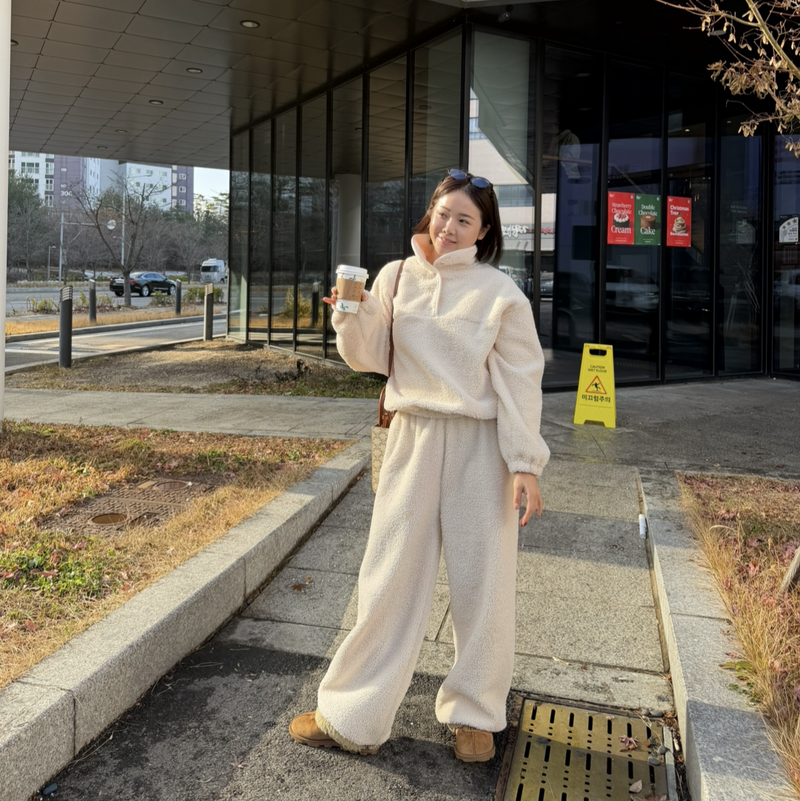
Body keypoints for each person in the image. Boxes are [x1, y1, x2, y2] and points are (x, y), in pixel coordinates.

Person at [289, 168, 549, 762]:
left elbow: (519, 382)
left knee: (484, 581)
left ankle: (475, 715)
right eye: (443, 213)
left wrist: (525, 462)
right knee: (389, 574)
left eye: (465, 220)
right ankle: (354, 713)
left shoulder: (501, 294)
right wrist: (351, 313)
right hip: (412, 435)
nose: (449, 227)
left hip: (481, 445)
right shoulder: (396, 276)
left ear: (484, 232)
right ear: (430, 212)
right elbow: (370, 359)